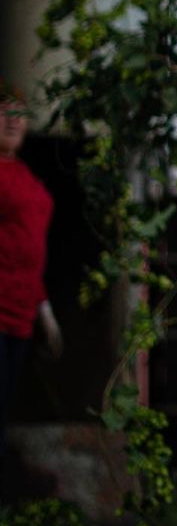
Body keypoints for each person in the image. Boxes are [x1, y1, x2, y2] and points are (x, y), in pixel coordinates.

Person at [0, 83, 62, 473]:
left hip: (20, 317)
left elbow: (29, 248)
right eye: (3, 111)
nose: (12, 120)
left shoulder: (21, 172)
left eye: (19, 113)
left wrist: (46, 312)